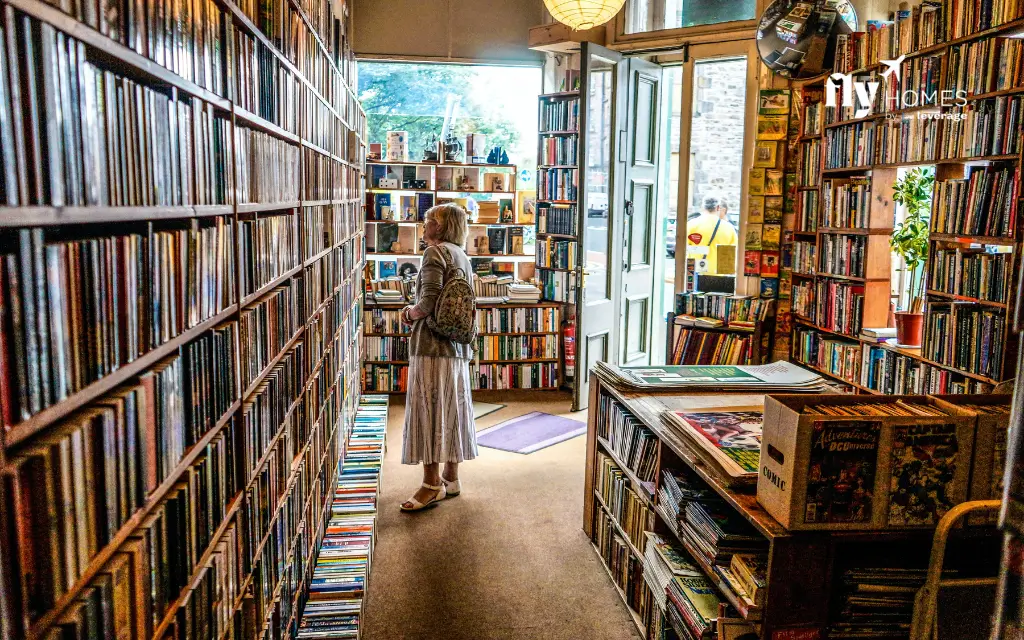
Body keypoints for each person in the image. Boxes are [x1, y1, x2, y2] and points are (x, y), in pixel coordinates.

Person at [399, 203, 477, 511]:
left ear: (440, 226)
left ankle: (431, 485)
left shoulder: (434, 254)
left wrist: (408, 313)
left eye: (428, 220)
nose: (423, 224)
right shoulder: (462, 256)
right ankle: (451, 477)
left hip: (431, 347)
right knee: (451, 409)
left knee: (427, 411)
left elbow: (428, 303)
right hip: (456, 346)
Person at [686, 195, 738, 274]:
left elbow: (683, 249)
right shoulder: (728, 228)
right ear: (718, 208)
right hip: (718, 275)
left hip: (694, 273)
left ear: (702, 207)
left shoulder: (691, 225)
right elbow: (732, 255)